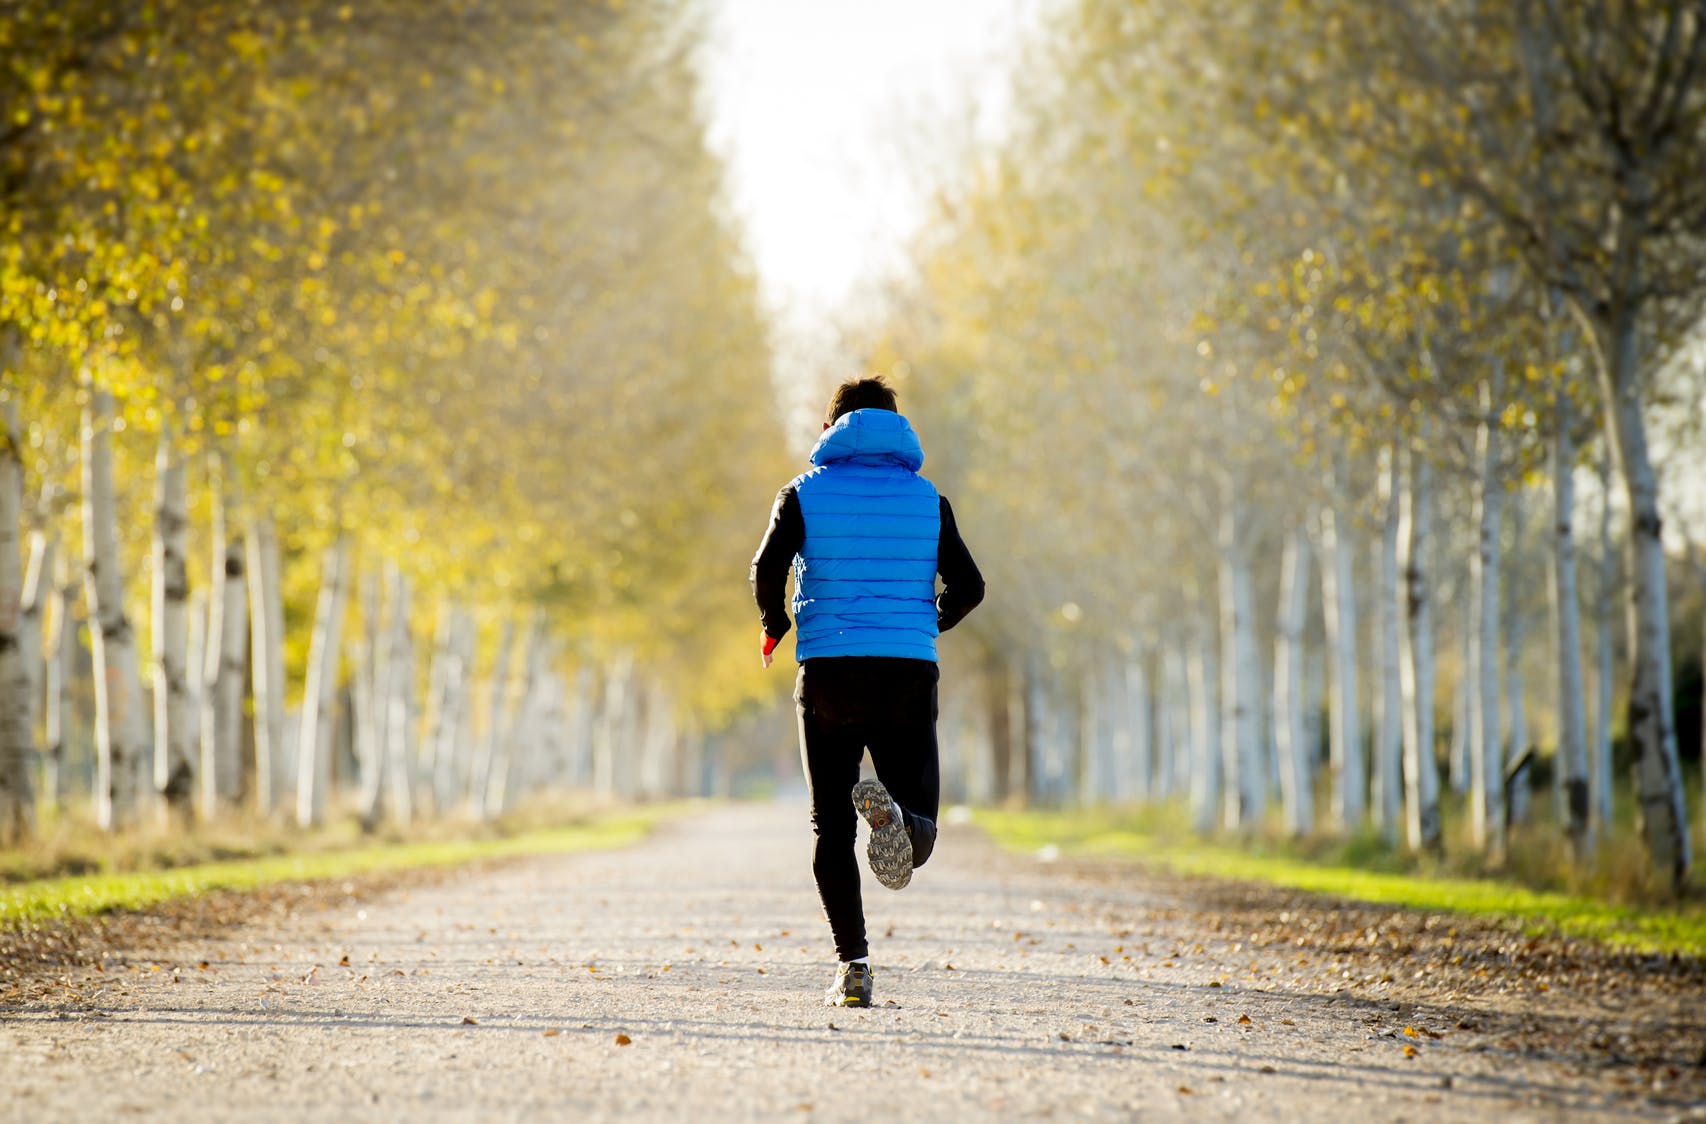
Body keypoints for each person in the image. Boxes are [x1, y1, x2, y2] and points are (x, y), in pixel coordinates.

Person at [750, 375, 984, 1008]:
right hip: (906, 671)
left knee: (830, 829)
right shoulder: (928, 499)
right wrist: (924, 622)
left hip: (828, 671)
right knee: (923, 829)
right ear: (896, 428)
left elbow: (767, 568)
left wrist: (776, 625)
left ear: (831, 429)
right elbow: (970, 587)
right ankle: (903, 818)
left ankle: (853, 967)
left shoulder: (802, 493)